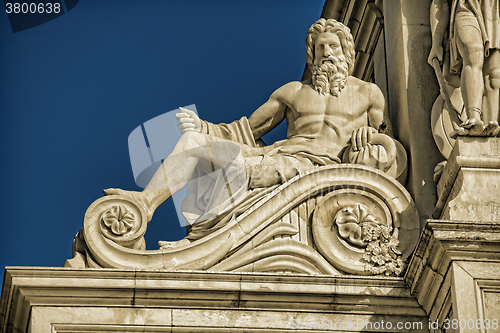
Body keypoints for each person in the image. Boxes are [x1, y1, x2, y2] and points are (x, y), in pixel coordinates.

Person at [104, 18, 393, 246]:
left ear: (347, 52)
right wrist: (203, 127)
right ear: (311, 56)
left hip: (322, 166)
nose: (327, 54)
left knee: (234, 173)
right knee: (193, 142)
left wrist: (368, 136)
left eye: (333, 47)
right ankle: (144, 203)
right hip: (282, 156)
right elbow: (245, 130)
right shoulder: (293, 92)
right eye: (320, 48)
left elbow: (385, 142)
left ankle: (204, 238)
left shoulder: (368, 94)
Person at [428, 0, 500, 133]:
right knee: (473, 50)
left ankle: (490, 129)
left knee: (494, 75)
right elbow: (440, 4)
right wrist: (436, 42)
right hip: (464, 7)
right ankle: (473, 119)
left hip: (494, 11)